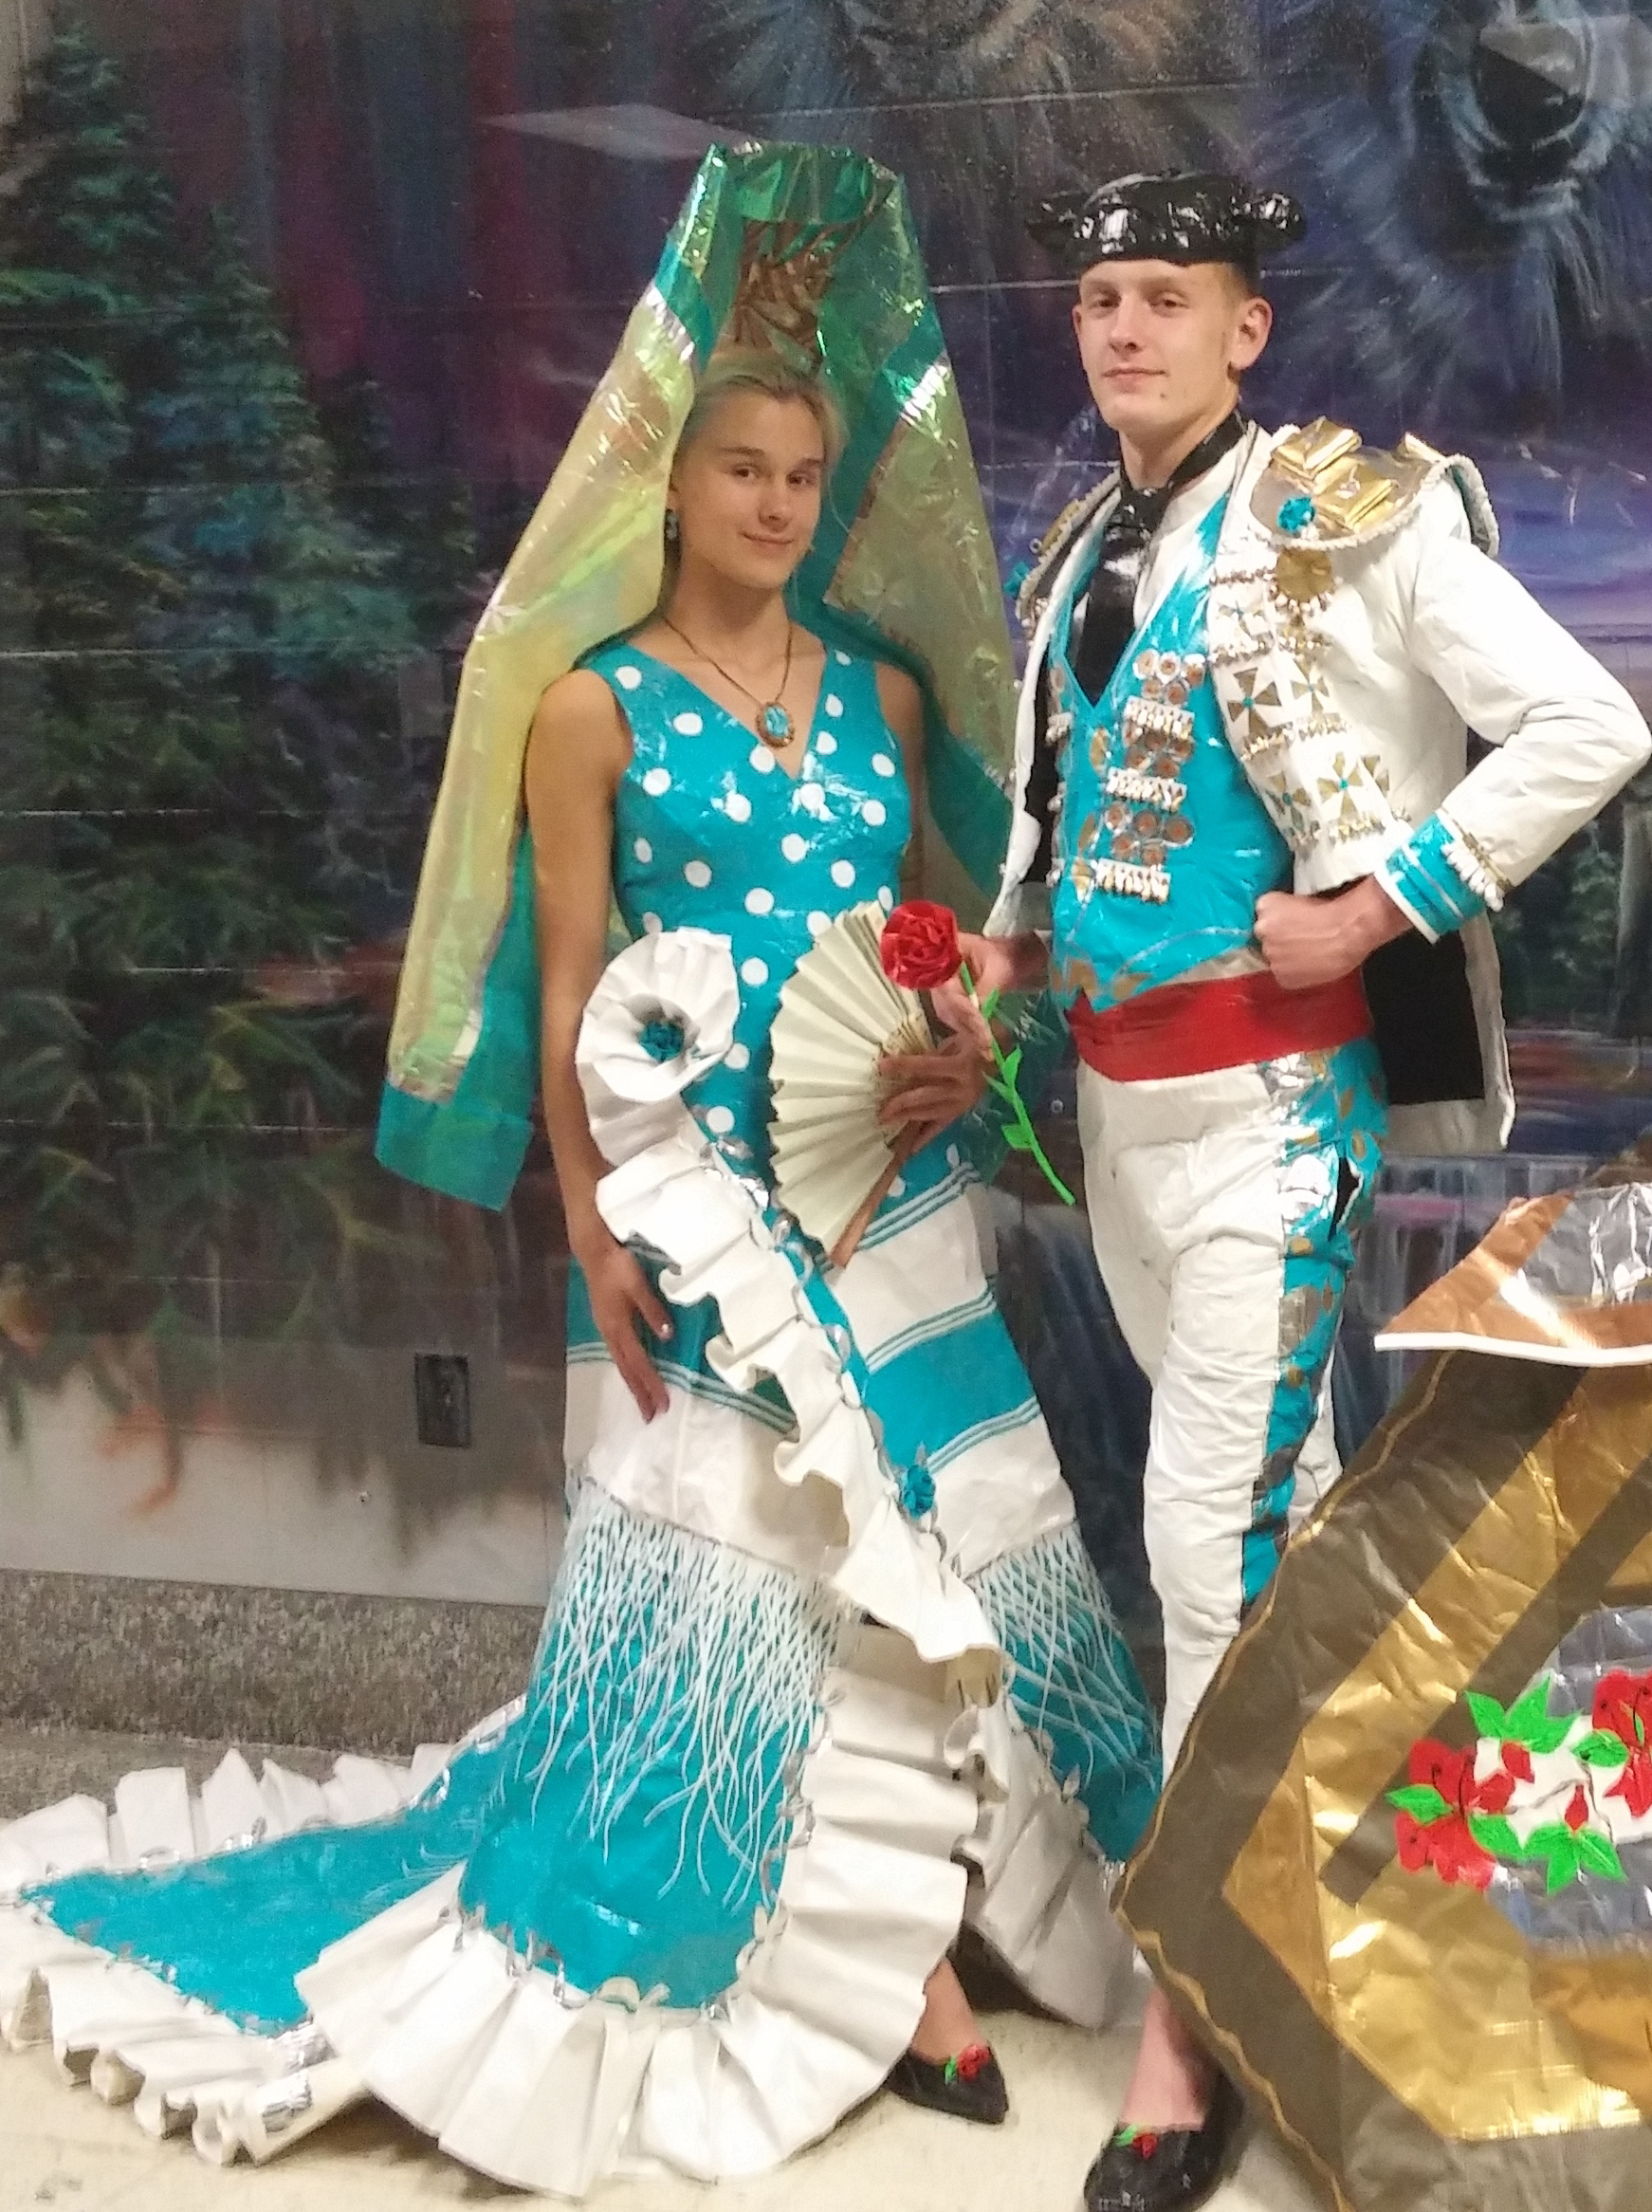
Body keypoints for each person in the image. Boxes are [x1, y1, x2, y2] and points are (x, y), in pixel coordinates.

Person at [0, 146, 1159, 2195]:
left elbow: (946, 938)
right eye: (742, 471)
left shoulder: (891, 695)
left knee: (954, 1531)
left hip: (891, 1201)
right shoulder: (586, 712)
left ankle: (961, 1898)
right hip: (698, 1211)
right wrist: (597, 1228)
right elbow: (564, 994)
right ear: (669, 485)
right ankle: (873, 1972)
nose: (776, 504)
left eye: (805, 474)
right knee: (763, 1561)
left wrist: (961, 1045)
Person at [947, 169, 1652, 2212]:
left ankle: (1189, 2034)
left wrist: (1378, 903)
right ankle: (1358, 1935)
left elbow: (1590, 721)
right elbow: (1073, 797)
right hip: (1119, 1117)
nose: (1123, 329)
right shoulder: (1082, 541)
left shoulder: (1359, 514)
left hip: (1272, 1112)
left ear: (1246, 328)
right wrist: (1000, 948)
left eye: (1164, 296)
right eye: (1099, 297)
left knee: (1204, 1550)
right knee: (1279, 1543)